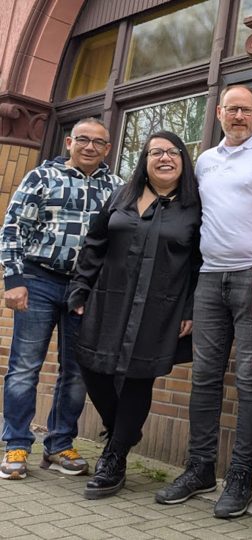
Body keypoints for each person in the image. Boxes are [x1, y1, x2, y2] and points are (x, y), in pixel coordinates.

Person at [155, 85, 252, 517]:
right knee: (204, 377)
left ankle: (240, 476)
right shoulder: (204, 161)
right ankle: (200, 468)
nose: (238, 116)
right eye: (231, 109)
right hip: (209, 278)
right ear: (219, 112)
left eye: (246, 109)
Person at [67, 131, 201, 499]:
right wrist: (80, 287)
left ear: (184, 160)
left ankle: (115, 457)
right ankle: (124, 430)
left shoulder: (194, 207)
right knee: (92, 366)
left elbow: (197, 264)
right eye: (155, 152)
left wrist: (189, 309)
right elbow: (95, 243)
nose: (164, 158)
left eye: (173, 152)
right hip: (109, 298)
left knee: (138, 377)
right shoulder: (121, 196)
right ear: (144, 160)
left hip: (160, 305)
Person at [0, 118, 124, 480]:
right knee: (25, 367)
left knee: (76, 372)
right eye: (83, 139)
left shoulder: (117, 188)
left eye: (98, 143)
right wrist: (14, 279)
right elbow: (13, 228)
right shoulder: (42, 177)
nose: (90, 147)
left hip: (85, 289)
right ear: (69, 142)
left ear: (108, 149)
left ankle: (59, 445)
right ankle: (16, 444)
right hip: (38, 280)